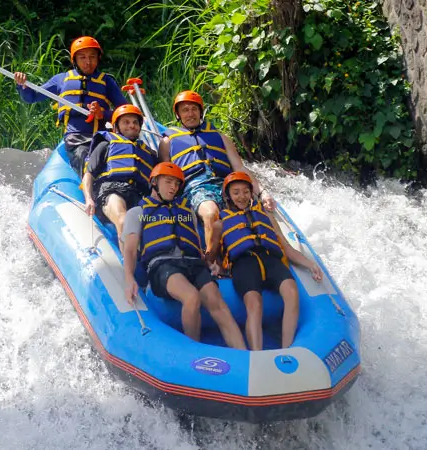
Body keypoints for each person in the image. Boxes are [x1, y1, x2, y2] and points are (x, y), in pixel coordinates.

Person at [122, 163, 247, 350]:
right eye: (168, 181)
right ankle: (195, 353)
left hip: (193, 263)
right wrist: (129, 278)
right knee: (191, 297)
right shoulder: (138, 212)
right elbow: (130, 249)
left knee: (218, 304)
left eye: (177, 184)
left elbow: (195, 242)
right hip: (162, 266)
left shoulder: (187, 211)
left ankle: (244, 355)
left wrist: (210, 263)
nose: (173, 187)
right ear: (155, 182)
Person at [207, 172, 322, 350]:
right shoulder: (220, 223)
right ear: (228, 195)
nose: (241, 196)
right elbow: (212, 253)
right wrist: (214, 265)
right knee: (254, 303)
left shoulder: (266, 217)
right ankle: (257, 354)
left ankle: (287, 349)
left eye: (246, 191)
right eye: (236, 192)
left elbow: (287, 248)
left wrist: (311, 264)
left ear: (251, 193)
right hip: (244, 264)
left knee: (291, 291)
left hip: (270, 260)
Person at [157, 90, 277, 258]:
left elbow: (239, 168)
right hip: (195, 186)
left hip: (225, 184)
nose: (190, 114)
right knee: (211, 213)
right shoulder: (167, 141)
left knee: (253, 211)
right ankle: (212, 260)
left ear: (200, 112)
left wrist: (263, 192)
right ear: (178, 115)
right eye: (185, 110)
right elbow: (164, 174)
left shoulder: (220, 137)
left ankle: (267, 253)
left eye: (194, 109)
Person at [13, 36, 128, 174]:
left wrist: (102, 113)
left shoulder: (107, 81)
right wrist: (22, 85)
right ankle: (92, 188)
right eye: (82, 57)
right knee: (84, 158)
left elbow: (124, 113)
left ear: (98, 58)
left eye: (92, 57)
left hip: (102, 135)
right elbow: (31, 97)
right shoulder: (61, 80)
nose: (88, 62)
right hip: (76, 137)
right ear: (75, 60)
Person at [82, 104, 157, 240]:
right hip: (111, 190)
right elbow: (88, 174)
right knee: (124, 221)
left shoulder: (149, 154)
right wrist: (88, 199)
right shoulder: (106, 144)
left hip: (138, 195)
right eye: (126, 122)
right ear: (116, 126)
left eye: (135, 122)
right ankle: (128, 261)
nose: (132, 125)